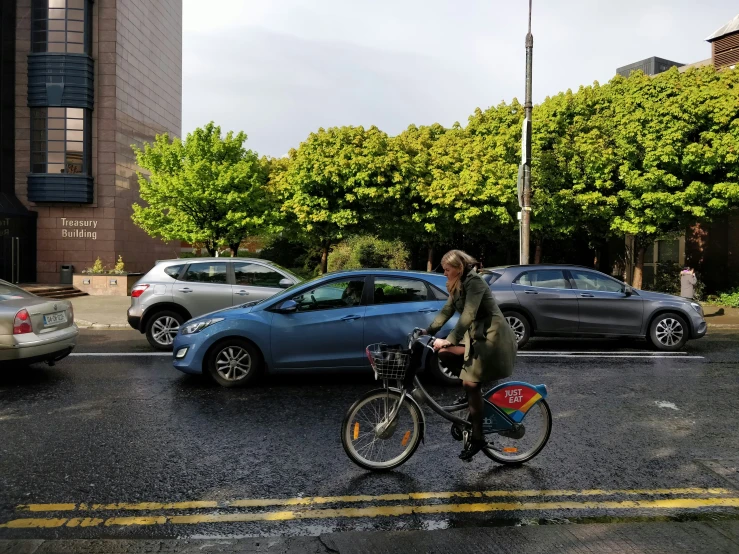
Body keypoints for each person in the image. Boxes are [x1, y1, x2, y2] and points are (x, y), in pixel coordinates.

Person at [421, 250, 517, 461]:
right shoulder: (456, 284)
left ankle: (478, 436)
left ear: (459, 268)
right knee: (444, 354)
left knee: (471, 384)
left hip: (492, 338)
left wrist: (450, 339)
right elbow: (447, 310)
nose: (444, 273)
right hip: (476, 337)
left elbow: (469, 314)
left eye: (447, 269)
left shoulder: (475, 282)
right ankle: (471, 392)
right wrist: (429, 331)